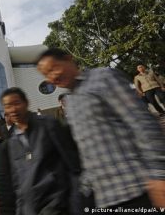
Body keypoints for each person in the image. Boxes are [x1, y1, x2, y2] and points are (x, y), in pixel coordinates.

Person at [37, 48, 165, 209]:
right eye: (47, 74)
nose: (52, 76)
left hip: (135, 188)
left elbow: (143, 123)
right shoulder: (72, 102)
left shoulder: (103, 78)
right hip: (103, 198)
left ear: (68, 59)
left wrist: (159, 174)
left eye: (54, 68)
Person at [0, 87, 78, 214]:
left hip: (56, 205)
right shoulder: (12, 142)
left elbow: (72, 163)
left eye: (16, 103)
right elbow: (18, 182)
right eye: (8, 106)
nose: (13, 109)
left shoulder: (48, 124)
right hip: (30, 209)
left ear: (26, 103)